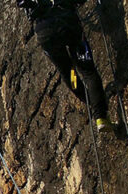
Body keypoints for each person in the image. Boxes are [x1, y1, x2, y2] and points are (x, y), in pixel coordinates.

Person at [16, 0, 117, 131]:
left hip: (46, 33)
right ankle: (101, 117)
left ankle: (92, 102)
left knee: (70, 74)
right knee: (88, 71)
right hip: (68, 25)